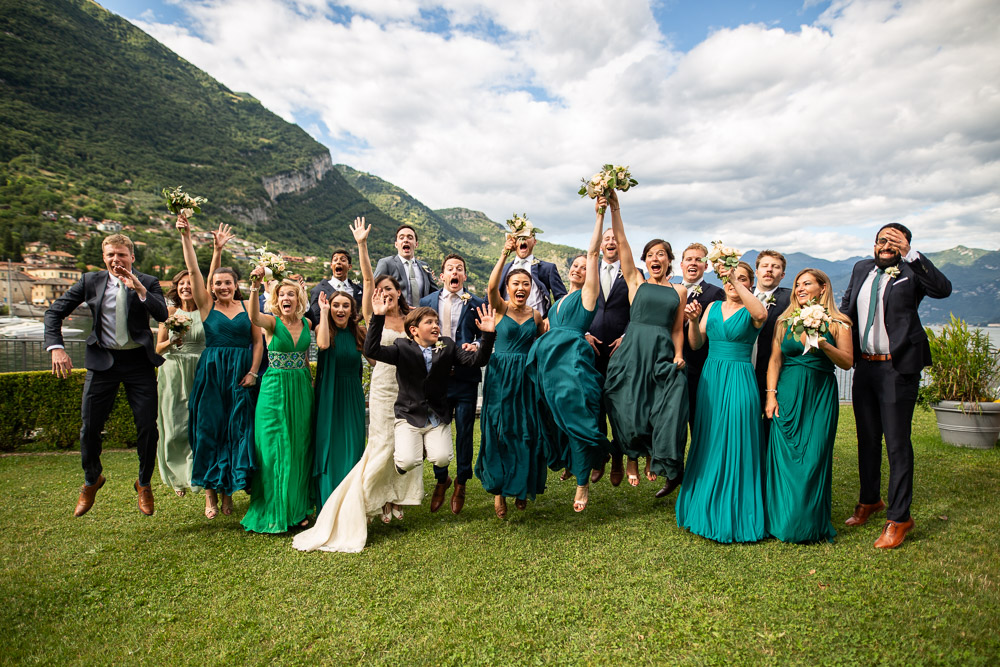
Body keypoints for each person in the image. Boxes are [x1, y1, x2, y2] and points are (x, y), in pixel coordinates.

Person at [293, 218, 424, 553]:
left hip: (407, 388)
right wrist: (362, 245)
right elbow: (366, 277)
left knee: (402, 445)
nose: (384, 293)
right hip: (382, 388)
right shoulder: (373, 315)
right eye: (379, 290)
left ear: (399, 293)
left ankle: (393, 498)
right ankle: (362, 499)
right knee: (381, 444)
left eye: (389, 290)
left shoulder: (409, 319)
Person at [840, 223, 952, 549]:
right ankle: (869, 501)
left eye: (894, 241)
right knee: (868, 439)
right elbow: (847, 311)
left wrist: (911, 256)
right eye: (881, 240)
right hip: (865, 367)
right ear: (873, 245)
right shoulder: (861, 268)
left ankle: (899, 518)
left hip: (898, 368)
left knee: (897, 443)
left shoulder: (911, 270)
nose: (886, 245)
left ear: (904, 244)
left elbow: (942, 289)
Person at [44, 233, 168, 517]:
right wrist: (56, 347)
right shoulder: (90, 281)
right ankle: (91, 480)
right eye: (111, 255)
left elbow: (162, 315)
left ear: (132, 257)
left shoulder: (147, 281)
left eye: (122, 254)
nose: (116, 259)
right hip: (102, 363)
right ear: (104, 257)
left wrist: (138, 288)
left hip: (138, 363)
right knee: (89, 427)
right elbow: (54, 313)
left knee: (148, 428)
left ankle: (144, 483)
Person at [602, 191, 689, 496]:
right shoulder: (636, 282)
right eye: (650, 254)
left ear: (669, 260)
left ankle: (656, 456)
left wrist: (679, 354)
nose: (655, 258)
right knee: (626, 404)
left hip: (662, 351)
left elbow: (678, 328)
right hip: (633, 349)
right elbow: (622, 243)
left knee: (659, 407)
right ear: (644, 260)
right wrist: (615, 207)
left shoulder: (678, 291)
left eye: (661, 254)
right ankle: (630, 457)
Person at [526, 195, 609, 512]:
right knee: (551, 416)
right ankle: (571, 462)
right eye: (574, 265)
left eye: (584, 265)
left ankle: (583, 483)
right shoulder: (557, 302)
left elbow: (592, 251)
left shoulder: (589, 294)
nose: (579, 267)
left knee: (578, 417)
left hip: (572, 363)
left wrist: (599, 213)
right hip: (549, 363)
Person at [177, 214, 263, 519]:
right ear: (211, 287)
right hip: (212, 373)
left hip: (241, 373)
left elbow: (258, 342)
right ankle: (210, 497)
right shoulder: (206, 305)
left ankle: (229, 495)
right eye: (217, 283)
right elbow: (192, 269)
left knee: (236, 429)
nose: (223, 286)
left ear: (235, 284)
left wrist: (253, 372)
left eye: (227, 282)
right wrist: (187, 236)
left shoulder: (247, 307)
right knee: (208, 429)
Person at [675, 260, 768, 543]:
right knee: (710, 438)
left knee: (738, 438)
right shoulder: (713, 308)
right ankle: (704, 503)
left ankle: (737, 510)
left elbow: (761, 313)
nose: (732, 282)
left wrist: (734, 278)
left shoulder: (753, 311)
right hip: (711, 378)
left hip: (740, 377)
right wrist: (692, 320)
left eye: (741, 278)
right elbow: (695, 344)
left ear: (750, 283)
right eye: (728, 278)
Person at [764, 269, 853, 543]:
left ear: (823, 287)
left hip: (819, 396)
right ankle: (781, 522)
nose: (800, 289)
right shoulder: (784, 321)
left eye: (807, 284)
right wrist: (770, 395)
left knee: (813, 458)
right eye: (797, 285)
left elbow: (848, 362)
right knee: (785, 459)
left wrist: (824, 343)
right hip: (787, 394)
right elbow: (775, 360)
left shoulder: (840, 322)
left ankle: (809, 524)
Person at [475, 236, 546, 518]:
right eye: (515, 283)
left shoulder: (538, 316)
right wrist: (505, 251)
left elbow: (543, 347)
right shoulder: (500, 308)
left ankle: (521, 486)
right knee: (499, 430)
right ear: (508, 288)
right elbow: (490, 286)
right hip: (499, 377)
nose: (521, 287)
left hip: (526, 380)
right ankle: (499, 490)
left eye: (525, 284)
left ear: (531, 289)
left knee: (524, 432)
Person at [240, 268, 314, 533]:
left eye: (291, 294)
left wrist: (310, 386)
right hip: (274, 388)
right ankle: (274, 509)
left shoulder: (307, 324)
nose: (287, 298)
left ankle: (296, 509)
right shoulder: (272, 322)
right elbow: (252, 316)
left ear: (298, 298)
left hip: (301, 387)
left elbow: (305, 358)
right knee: (273, 449)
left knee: (298, 448)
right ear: (276, 298)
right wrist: (255, 286)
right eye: (282, 294)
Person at [419, 254, 484, 514]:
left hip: (466, 378)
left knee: (466, 431)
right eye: (450, 268)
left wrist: (477, 344)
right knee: (439, 429)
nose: (455, 272)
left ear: (464, 276)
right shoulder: (426, 302)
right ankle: (441, 478)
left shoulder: (477, 302)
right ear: (442, 275)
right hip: (437, 378)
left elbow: (485, 332)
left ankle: (462, 482)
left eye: (459, 269)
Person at [311, 288, 367, 513]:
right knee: (329, 447)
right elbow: (323, 345)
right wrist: (323, 314)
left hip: (352, 394)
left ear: (352, 310)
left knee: (353, 446)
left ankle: (350, 505)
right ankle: (327, 504)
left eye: (346, 306)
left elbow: (374, 360)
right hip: (328, 394)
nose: (340, 310)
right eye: (336, 305)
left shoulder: (359, 333)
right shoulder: (322, 328)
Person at [586, 228, 633, 487]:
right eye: (607, 238)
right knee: (595, 405)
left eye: (615, 238)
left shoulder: (631, 272)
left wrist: (627, 335)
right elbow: (578, 303)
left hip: (620, 349)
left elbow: (638, 308)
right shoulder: (590, 271)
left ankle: (618, 453)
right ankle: (600, 454)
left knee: (617, 405)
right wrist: (583, 332)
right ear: (601, 244)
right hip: (591, 350)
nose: (611, 241)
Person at [154, 268, 205, 497]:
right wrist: (174, 341)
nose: (186, 287)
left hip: (200, 369)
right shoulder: (169, 313)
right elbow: (158, 348)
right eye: (182, 284)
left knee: (197, 424)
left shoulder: (206, 312)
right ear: (177, 288)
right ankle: (176, 476)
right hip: (173, 369)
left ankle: (197, 474)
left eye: (190, 283)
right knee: (174, 424)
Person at [677, 244, 725, 435]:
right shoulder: (670, 289)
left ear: (706, 267)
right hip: (669, 362)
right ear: (681, 264)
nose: (693, 263)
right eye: (689, 259)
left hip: (698, 365)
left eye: (699, 260)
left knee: (698, 421)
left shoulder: (715, 293)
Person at [752, 250, 791, 457]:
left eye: (775, 267)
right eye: (765, 266)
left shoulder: (790, 300)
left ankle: (767, 479)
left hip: (773, 374)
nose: (769, 270)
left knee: (770, 428)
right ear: (756, 271)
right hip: (742, 372)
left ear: (782, 275)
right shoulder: (741, 295)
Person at [499, 229, 567, 318]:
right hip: (507, 323)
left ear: (534, 241)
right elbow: (490, 297)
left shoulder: (547, 268)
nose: (523, 240)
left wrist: (550, 318)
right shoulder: (503, 269)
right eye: (519, 237)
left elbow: (562, 298)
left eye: (526, 237)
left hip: (538, 325)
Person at [373, 224, 436, 307]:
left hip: (422, 316)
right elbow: (374, 289)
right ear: (396, 244)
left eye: (410, 238)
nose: (406, 240)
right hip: (398, 316)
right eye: (401, 238)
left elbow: (433, 293)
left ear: (416, 244)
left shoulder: (425, 266)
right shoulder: (386, 263)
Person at [307, 248, 363, 326]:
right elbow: (315, 321)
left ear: (349, 266)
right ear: (331, 265)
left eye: (343, 260)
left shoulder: (359, 290)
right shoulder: (318, 290)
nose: (338, 262)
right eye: (335, 260)